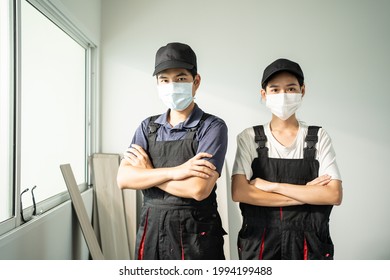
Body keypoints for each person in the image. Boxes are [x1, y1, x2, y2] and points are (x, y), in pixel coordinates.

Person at [117, 42, 228, 260]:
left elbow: (198, 189)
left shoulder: (212, 127)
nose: (172, 85)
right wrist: (176, 171)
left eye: (180, 78)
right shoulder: (147, 127)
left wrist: (148, 173)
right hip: (152, 230)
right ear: (157, 83)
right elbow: (124, 179)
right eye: (164, 80)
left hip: (196, 235)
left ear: (196, 82)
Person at [231, 58, 343, 260]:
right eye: (275, 89)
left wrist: (272, 186)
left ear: (303, 90)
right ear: (264, 94)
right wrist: (308, 193)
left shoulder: (318, 138)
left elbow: (333, 195)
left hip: (311, 245)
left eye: (291, 89)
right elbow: (239, 191)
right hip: (260, 245)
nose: (283, 95)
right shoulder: (248, 138)